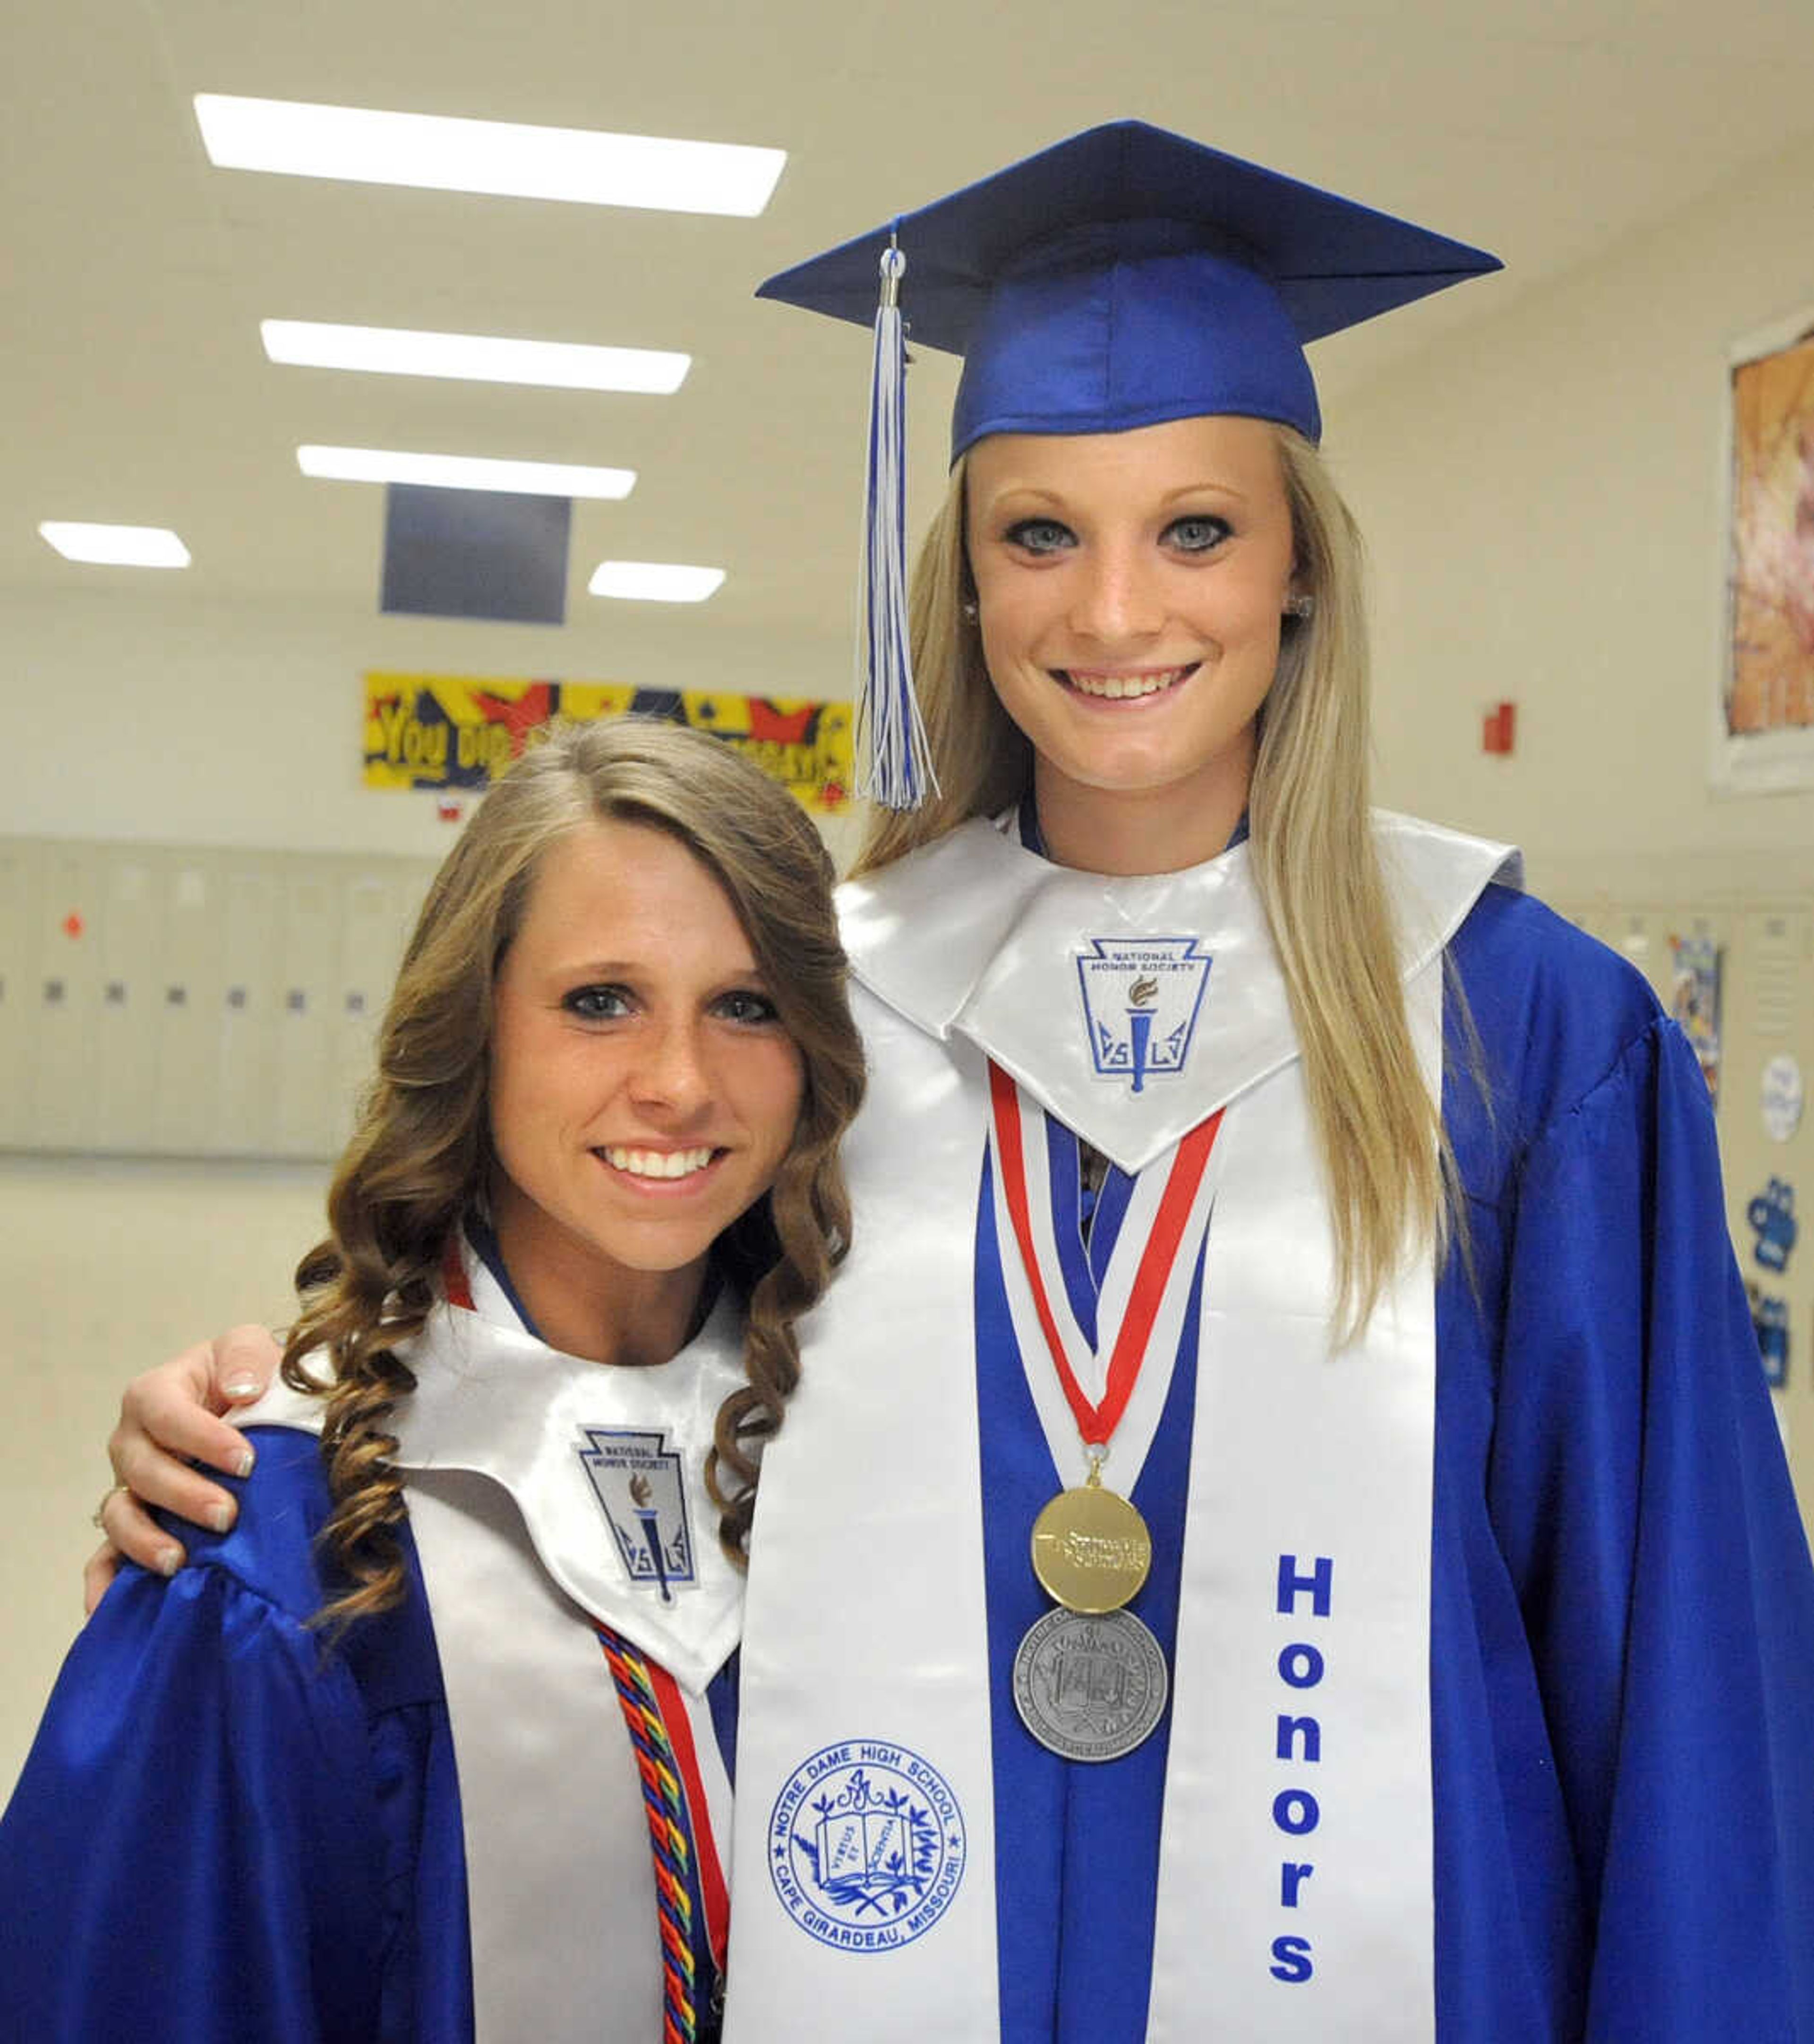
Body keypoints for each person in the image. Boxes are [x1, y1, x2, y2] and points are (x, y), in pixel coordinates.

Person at [82, 123, 1814, 2041]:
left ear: (1304, 562)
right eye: (1040, 532)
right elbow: (598, 1375)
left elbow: (1687, 1703)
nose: (1116, 613)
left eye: (1198, 527)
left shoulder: (1522, 1035)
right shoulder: (840, 1000)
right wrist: (265, 1442)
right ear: (967, 577)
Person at [1, 718, 865, 2042]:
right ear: (479, 1031)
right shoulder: (276, 1544)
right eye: (600, 1001)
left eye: (746, 1006)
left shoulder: (874, 1467)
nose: (680, 1084)